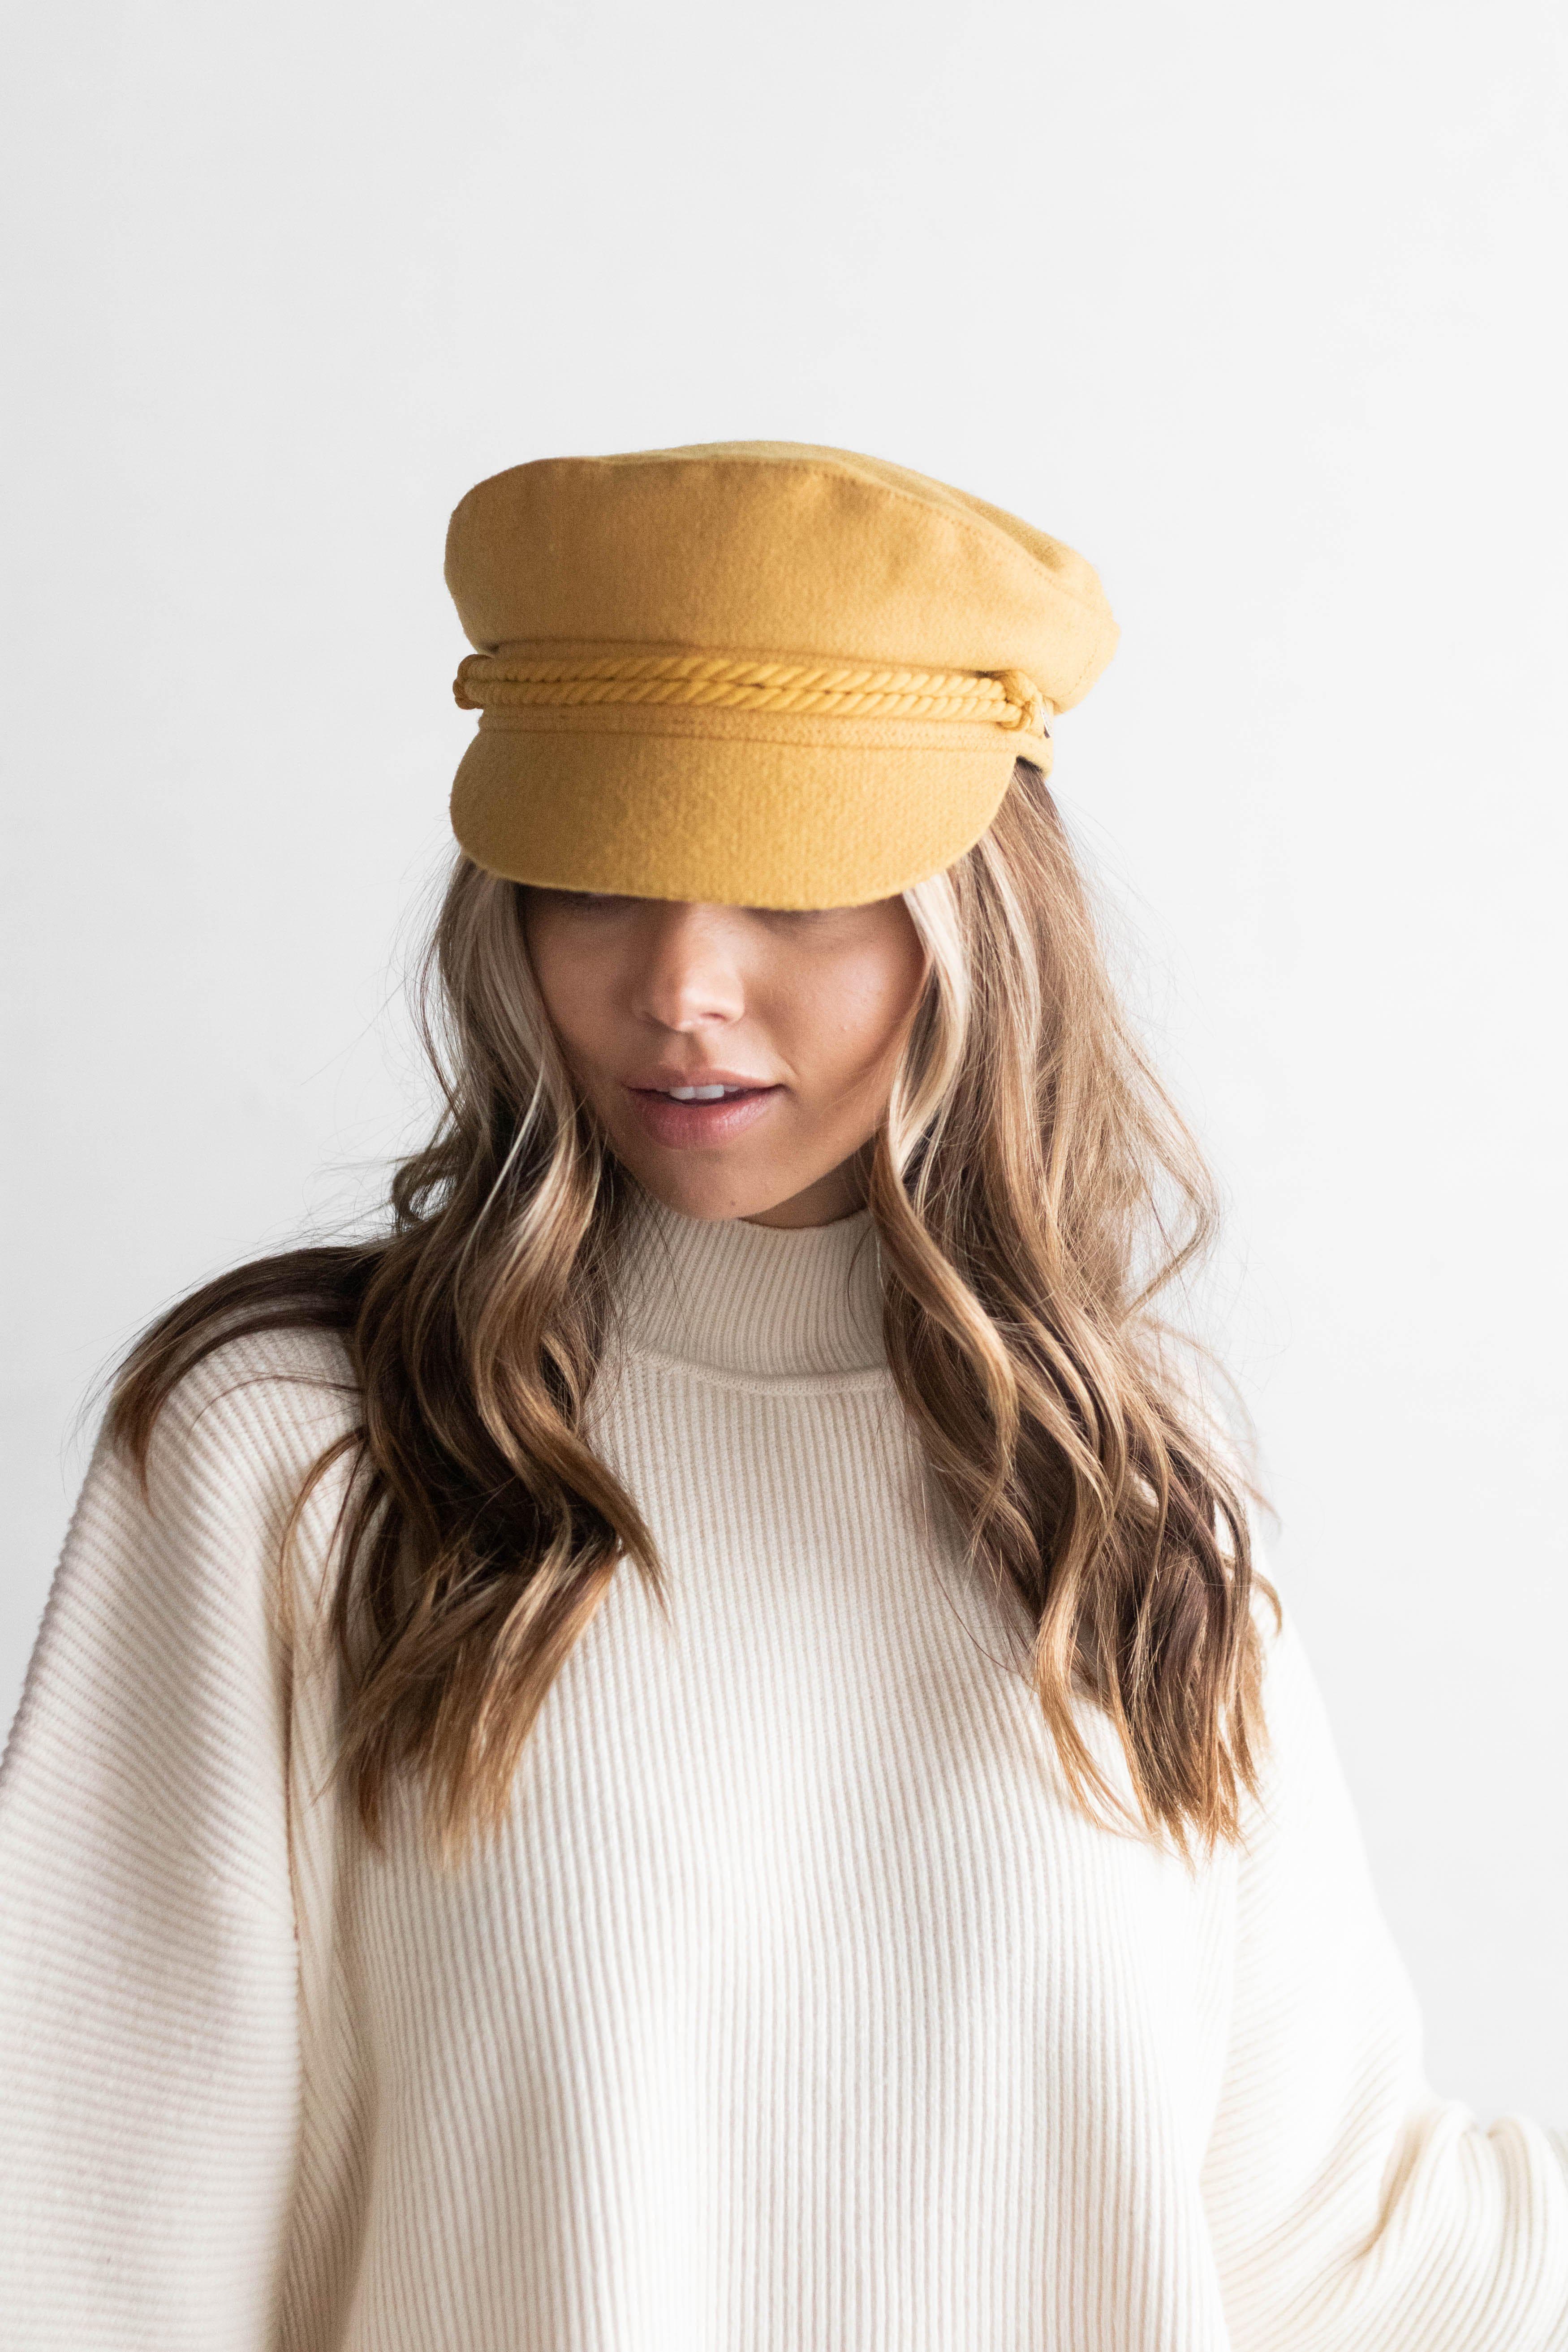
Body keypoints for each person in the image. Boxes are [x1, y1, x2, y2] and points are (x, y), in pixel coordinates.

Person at [1, 441, 1563, 2352]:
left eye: (793, 899)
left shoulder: (1128, 1497)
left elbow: (1348, 2256)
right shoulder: (293, 1453)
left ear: (977, 924)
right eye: (594, 883)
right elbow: (80, 2243)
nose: (679, 985)